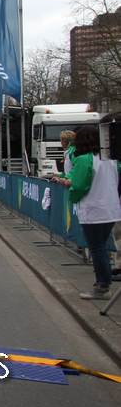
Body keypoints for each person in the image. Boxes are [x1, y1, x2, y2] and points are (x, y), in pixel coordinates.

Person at [52, 125, 121, 299]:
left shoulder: (84, 159)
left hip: (93, 209)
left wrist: (72, 192)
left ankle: (103, 286)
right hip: (111, 209)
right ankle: (103, 282)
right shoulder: (112, 159)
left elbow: (79, 186)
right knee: (101, 248)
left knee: (96, 249)